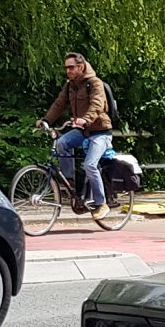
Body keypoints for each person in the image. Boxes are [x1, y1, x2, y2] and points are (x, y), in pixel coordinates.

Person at [39, 52, 113, 219]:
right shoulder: (70, 85)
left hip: (100, 132)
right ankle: (69, 181)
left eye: (71, 67)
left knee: (90, 165)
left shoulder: (94, 83)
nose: (68, 71)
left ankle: (102, 204)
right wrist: (46, 120)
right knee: (62, 143)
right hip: (83, 131)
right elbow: (59, 104)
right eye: (66, 68)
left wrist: (85, 120)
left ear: (81, 66)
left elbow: (97, 104)